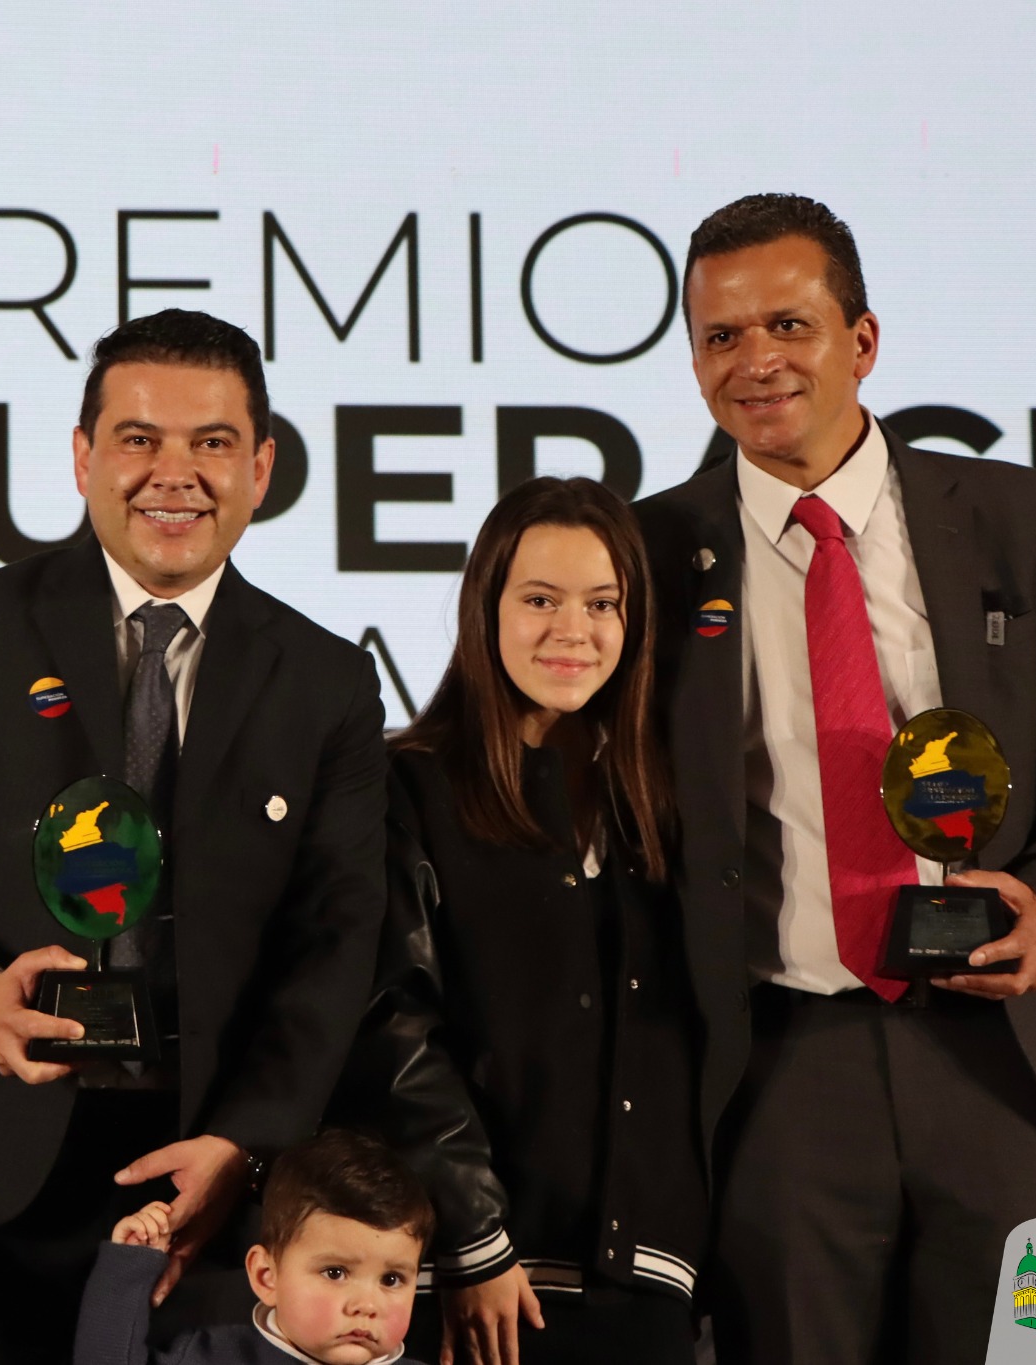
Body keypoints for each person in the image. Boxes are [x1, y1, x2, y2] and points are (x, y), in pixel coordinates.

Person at [0, 308, 390, 1365]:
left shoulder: (326, 682)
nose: (174, 474)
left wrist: (245, 1146)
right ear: (84, 457)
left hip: (202, 1188)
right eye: (139, 438)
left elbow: (334, 940)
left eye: (211, 441)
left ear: (262, 468)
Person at [634, 194, 1036, 1365]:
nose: (754, 361)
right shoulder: (645, 554)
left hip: (993, 1050)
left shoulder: (1012, 515)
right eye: (718, 336)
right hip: (776, 1066)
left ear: (860, 340)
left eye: (787, 326)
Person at [340, 476, 704, 1365]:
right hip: (482, 1285)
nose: (572, 630)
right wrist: (475, 1237)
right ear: (487, 608)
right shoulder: (410, 786)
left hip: (649, 1286)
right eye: (540, 599)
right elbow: (395, 1021)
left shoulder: (669, 804)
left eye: (602, 603)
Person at [75, 1130, 432, 1365]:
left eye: (391, 1279)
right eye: (335, 1272)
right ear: (266, 1276)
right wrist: (129, 1267)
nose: (366, 1305)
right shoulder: (214, 1358)